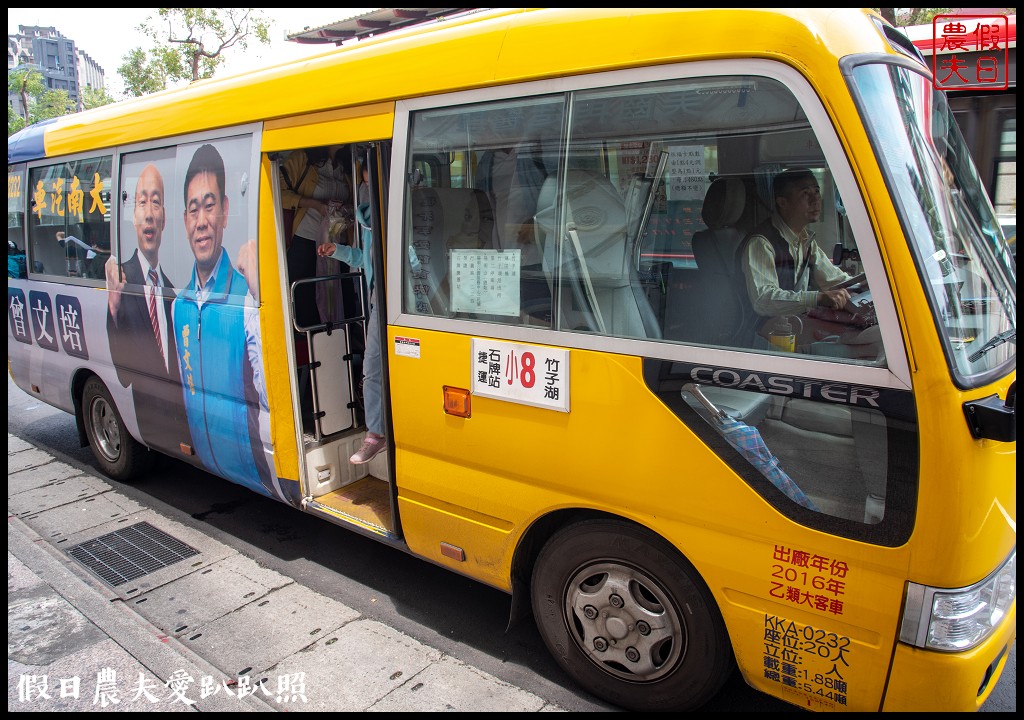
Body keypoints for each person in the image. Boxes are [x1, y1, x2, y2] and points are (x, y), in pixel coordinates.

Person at [172, 143, 275, 496]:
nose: (201, 222)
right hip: (206, 452)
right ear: (185, 219)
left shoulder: (247, 297)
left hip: (255, 468)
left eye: (210, 206)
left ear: (226, 212)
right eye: (193, 209)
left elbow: (269, 394)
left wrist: (259, 291)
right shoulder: (179, 305)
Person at [104, 163, 190, 452]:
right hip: (149, 422)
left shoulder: (173, 290)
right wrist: (114, 308)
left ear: (165, 217)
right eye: (142, 202)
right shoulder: (121, 280)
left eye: (157, 202)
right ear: (133, 215)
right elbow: (123, 373)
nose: (150, 212)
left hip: (183, 424)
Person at [740, 168, 854, 328]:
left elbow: (834, 279)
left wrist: (865, 286)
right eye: (805, 194)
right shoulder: (761, 242)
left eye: (817, 191)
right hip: (763, 331)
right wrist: (818, 298)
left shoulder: (805, 239)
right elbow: (763, 300)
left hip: (792, 322)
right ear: (783, 202)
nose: (816, 200)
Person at [317, 194, 384, 464]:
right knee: (372, 369)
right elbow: (363, 259)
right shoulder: (367, 220)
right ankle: (376, 433)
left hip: (405, 298)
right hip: (381, 299)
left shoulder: (403, 209)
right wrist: (338, 251)